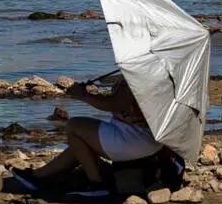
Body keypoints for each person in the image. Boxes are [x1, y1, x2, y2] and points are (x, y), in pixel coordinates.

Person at [12, 76, 161, 194]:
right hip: (149, 139)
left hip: (133, 139)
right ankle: (39, 176)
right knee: (80, 145)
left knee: (74, 126)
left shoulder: (135, 78)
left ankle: (96, 183)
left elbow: (113, 104)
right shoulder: (153, 75)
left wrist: (83, 95)